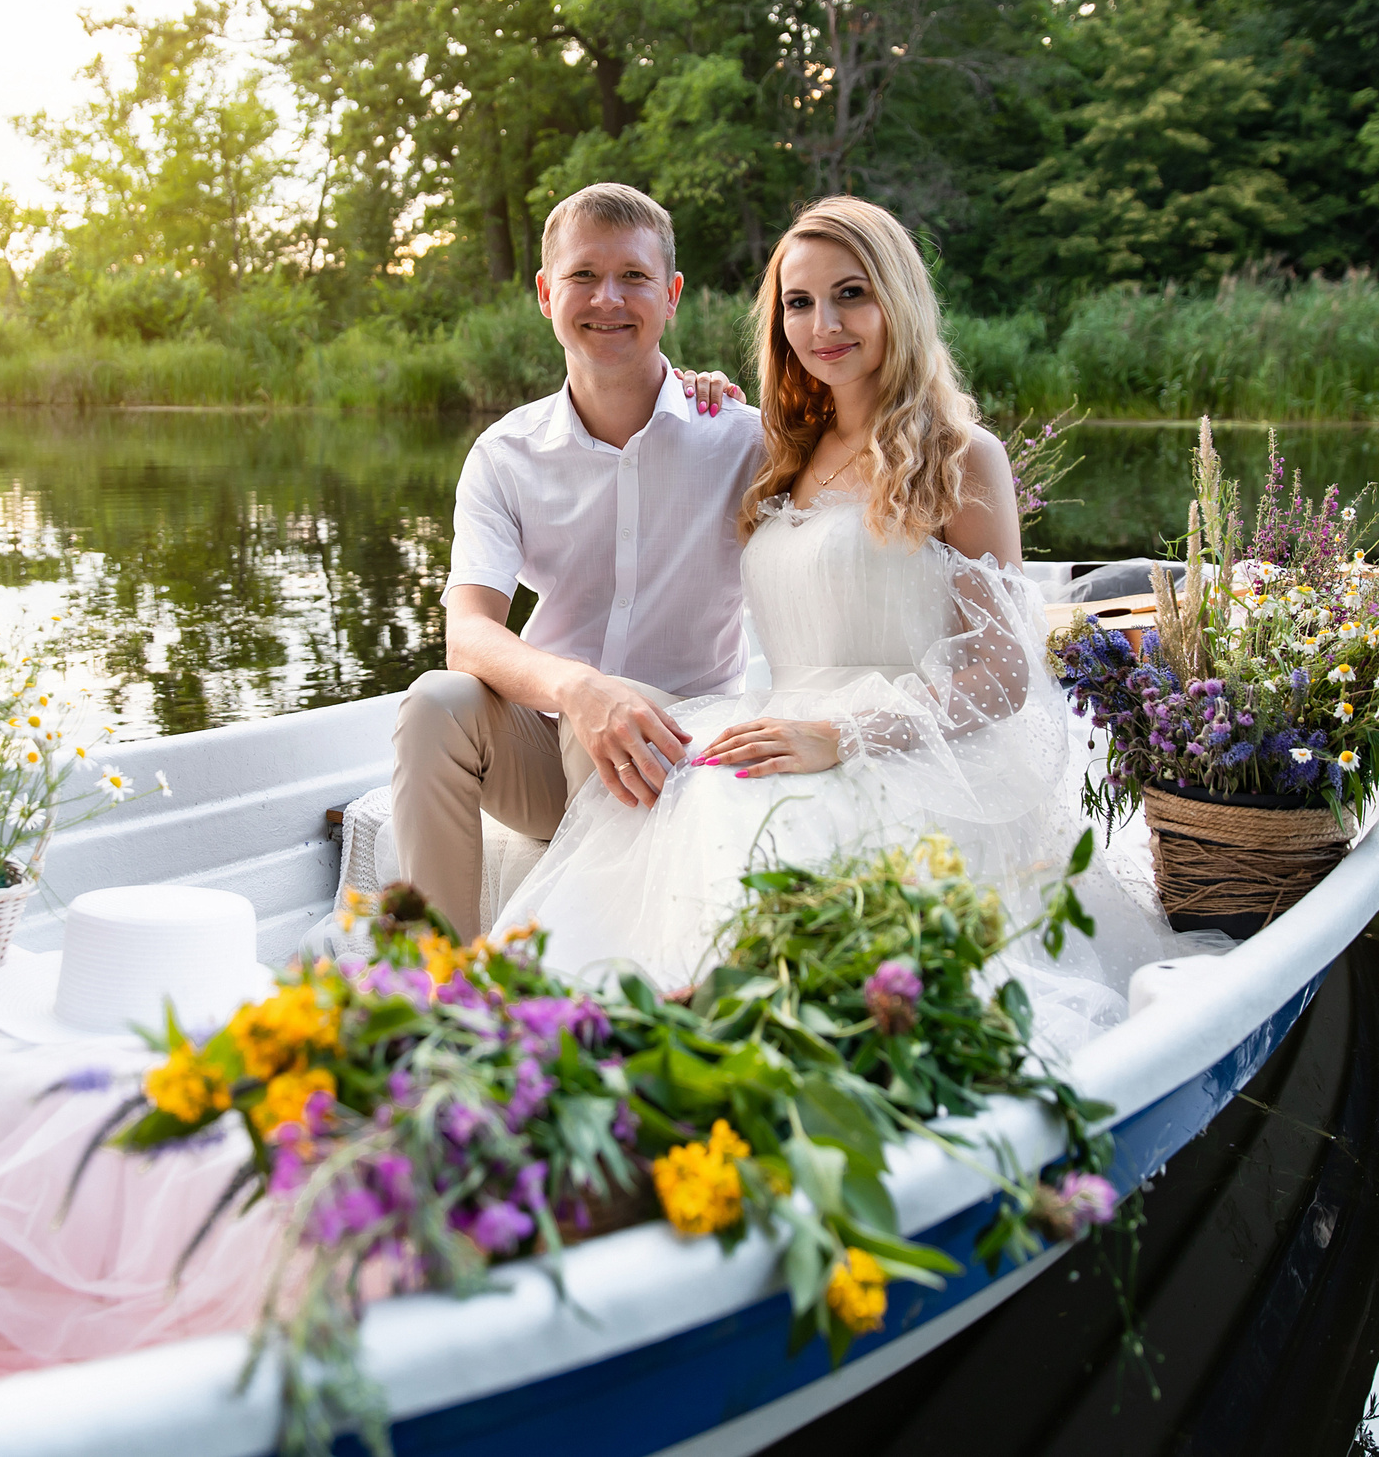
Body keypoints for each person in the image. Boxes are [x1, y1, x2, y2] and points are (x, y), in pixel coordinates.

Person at [491, 195, 1209, 1054]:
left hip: (908, 747)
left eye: (850, 294)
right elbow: (659, 413)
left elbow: (1004, 670)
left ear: (896, 302)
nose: (823, 324)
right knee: (692, 785)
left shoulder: (960, 455)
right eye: (798, 302)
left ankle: (749, 1041)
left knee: (729, 806)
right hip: (784, 719)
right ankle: (625, 1041)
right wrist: (696, 383)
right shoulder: (784, 448)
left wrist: (847, 733)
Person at [389, 183, 765, 940]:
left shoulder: (741, 439)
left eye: (633, 276)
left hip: (689, 758)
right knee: (434, 702)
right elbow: (468, 635)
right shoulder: (505, 454)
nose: (608, 298)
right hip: (552, 751)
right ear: (543, 293)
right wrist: (579, 688)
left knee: (623, 703)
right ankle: (436, 986)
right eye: (583, 276)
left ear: (672, 294)